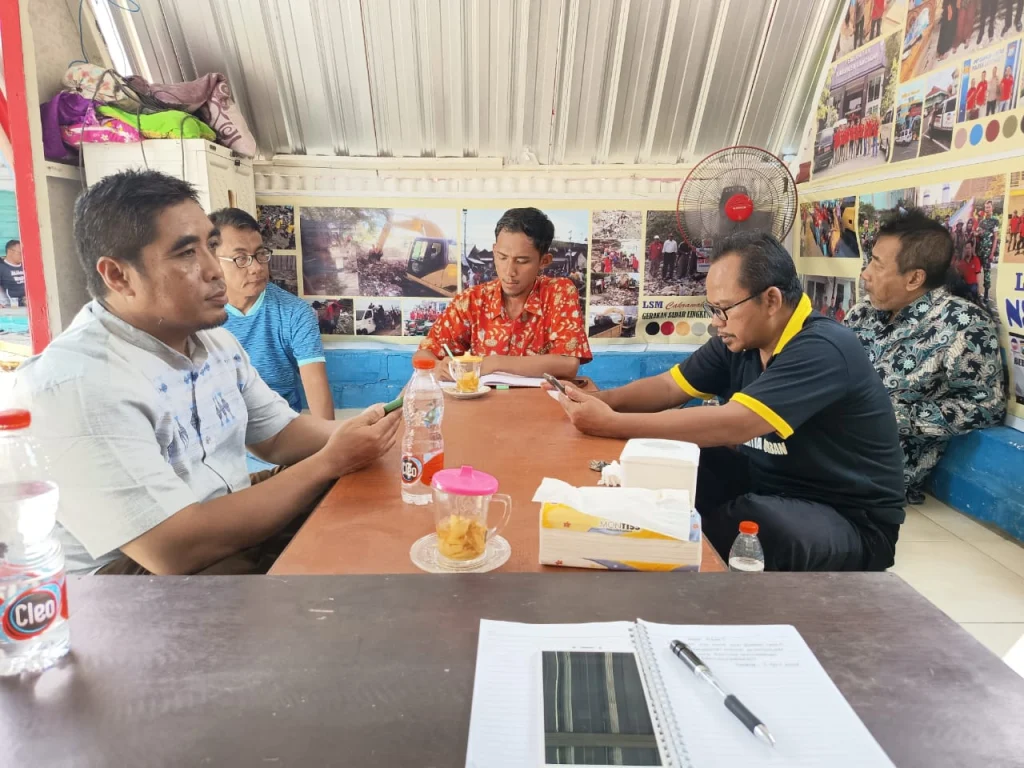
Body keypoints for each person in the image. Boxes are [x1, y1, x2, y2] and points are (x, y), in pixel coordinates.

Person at [11, 170, 401, 576]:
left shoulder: (214, 343)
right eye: (186, 254)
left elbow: (280, 437)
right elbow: (173, 551)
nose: (216, 269)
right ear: (118, 275)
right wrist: (330, 462)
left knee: (374, 518)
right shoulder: (77, 385)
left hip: (218, 509)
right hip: (133, 578)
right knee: (336, 580)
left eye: (212, 246)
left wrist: (369, 434)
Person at [549, 231, 906, 572]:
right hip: (768, 483)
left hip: (849, 520)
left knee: (748, 521)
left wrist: (611, 424)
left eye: (724, 309)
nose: (716, 321)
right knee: (666, 469)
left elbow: (734, 422)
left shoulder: (823, 348)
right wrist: (597, 399)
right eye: (712, 309)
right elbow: (669, 387)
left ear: (771, 300)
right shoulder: (739, 339)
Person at [847, 210, 1004, 505]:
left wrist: (896, 417)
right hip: (824, 447)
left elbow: (986, 406)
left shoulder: (963, 324)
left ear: (914, 278)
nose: (865, 273)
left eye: (877, 265)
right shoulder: (863, 313)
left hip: (876, 474)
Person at [414, 207, 591, 379]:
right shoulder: (472, 300)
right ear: (494, 251)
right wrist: (438, 366)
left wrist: (495, 363)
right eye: (502, 257)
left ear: (544, 261)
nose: (509, 271)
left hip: (541, 405)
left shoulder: (558, 293)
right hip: (482, 406)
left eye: (521, 261)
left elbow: (568, 364)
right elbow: (423, 353)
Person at [212, 208, 335, 421]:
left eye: (260, 254)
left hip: (281, 432)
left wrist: (330, 447)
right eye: (241, 258)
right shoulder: (196, 317)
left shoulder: (295, 313)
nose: (257, 268)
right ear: (212, 262)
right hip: (220, 433)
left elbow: (316, 389)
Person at [0, 239, 25, 307]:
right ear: (10, 252)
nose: (23, 255)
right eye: (20, 253)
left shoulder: (26, 266)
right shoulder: (2, 267)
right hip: (12, 307)